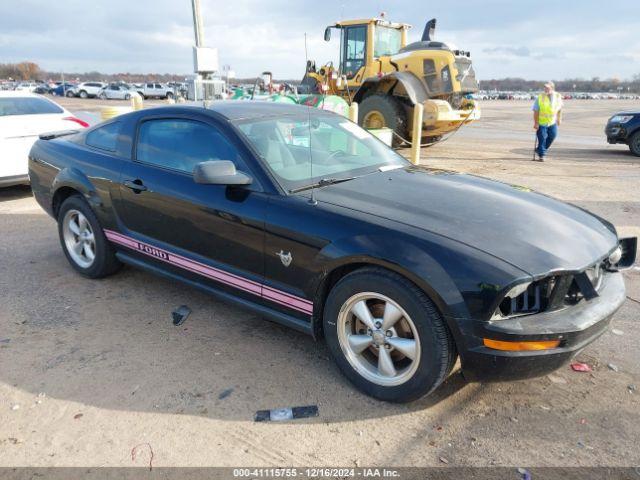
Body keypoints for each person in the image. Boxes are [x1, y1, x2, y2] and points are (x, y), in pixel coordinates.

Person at [532, 81, 563, 162]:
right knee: (542, 138)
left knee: (553, 136)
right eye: (545, 88)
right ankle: (541, 155)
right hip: (542, 122)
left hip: (552, 122)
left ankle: (539, 149)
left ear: (552, 88)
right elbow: (536, 111)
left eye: (548, 88)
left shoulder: (557, 96)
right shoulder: (540, 97)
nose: (546, 89)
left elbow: (559, 108)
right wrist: (536, 123)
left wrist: (559, 118)